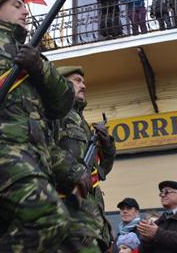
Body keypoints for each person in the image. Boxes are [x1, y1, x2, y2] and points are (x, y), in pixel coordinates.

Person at [0, 0, 75, 251]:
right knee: (50, 219)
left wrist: (40, 68)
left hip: (35, 160)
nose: (26, 11)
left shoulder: (33, 53)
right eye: (17, 5)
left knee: (15, 237)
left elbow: (62, 105)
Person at [51, 65, 117, 252]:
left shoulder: (82, 122)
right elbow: (45, 150)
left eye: (83, 81)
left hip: (91, 217)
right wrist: (74, 171)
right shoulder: (54, 114)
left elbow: (102, 171)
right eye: (77, 81)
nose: (84, 85)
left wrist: (107, 145)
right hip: (67, 213)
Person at [138, 180, 177, 253]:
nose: (162, 195)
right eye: (161, 193)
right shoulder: (158, 222)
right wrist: (146, 240)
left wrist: (157, 233)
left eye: (167, 192)